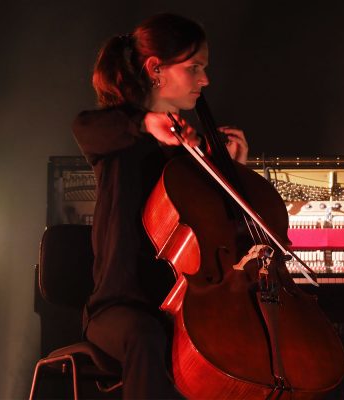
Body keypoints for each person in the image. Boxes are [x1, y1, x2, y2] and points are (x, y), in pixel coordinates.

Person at [73, 12, 248, 399]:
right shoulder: (119, 137)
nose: (205, 80)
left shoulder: (191, 154)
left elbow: (225, 234)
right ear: (156, 69)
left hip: (187, 309)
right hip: (118, 310)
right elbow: (84, 127)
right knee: (145, 335)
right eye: (195, 67)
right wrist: (145, 124)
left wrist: (231, 171)